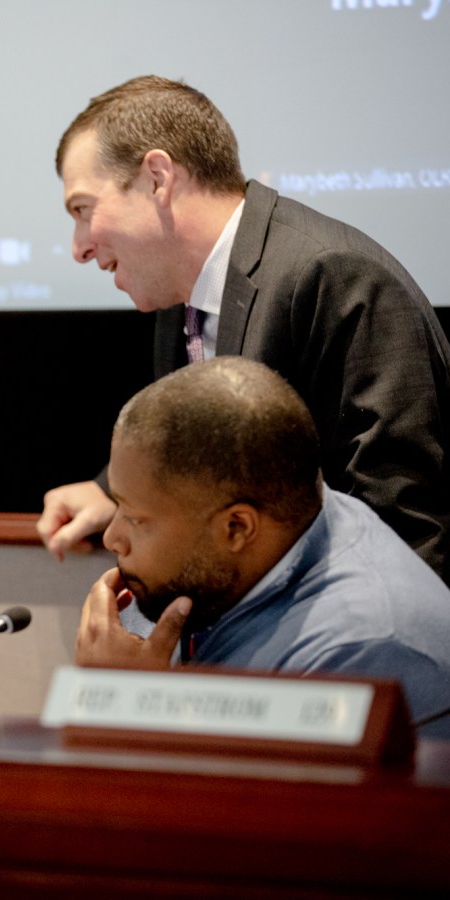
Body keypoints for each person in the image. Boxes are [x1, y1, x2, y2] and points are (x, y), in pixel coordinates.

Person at [38, 75, 450, 585]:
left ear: (157, 179)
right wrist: (109, 492)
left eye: (82, 209)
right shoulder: (180, 290)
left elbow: (401, 526)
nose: (77, 247)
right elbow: (214, 449)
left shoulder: (334, 277)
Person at [74, 356, 450, 736]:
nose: (112, 538)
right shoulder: (200, 567)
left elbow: (228, 794)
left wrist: (124, 703)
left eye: (136, 519)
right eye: (116, 505)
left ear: (236, 528)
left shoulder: (366, 651)